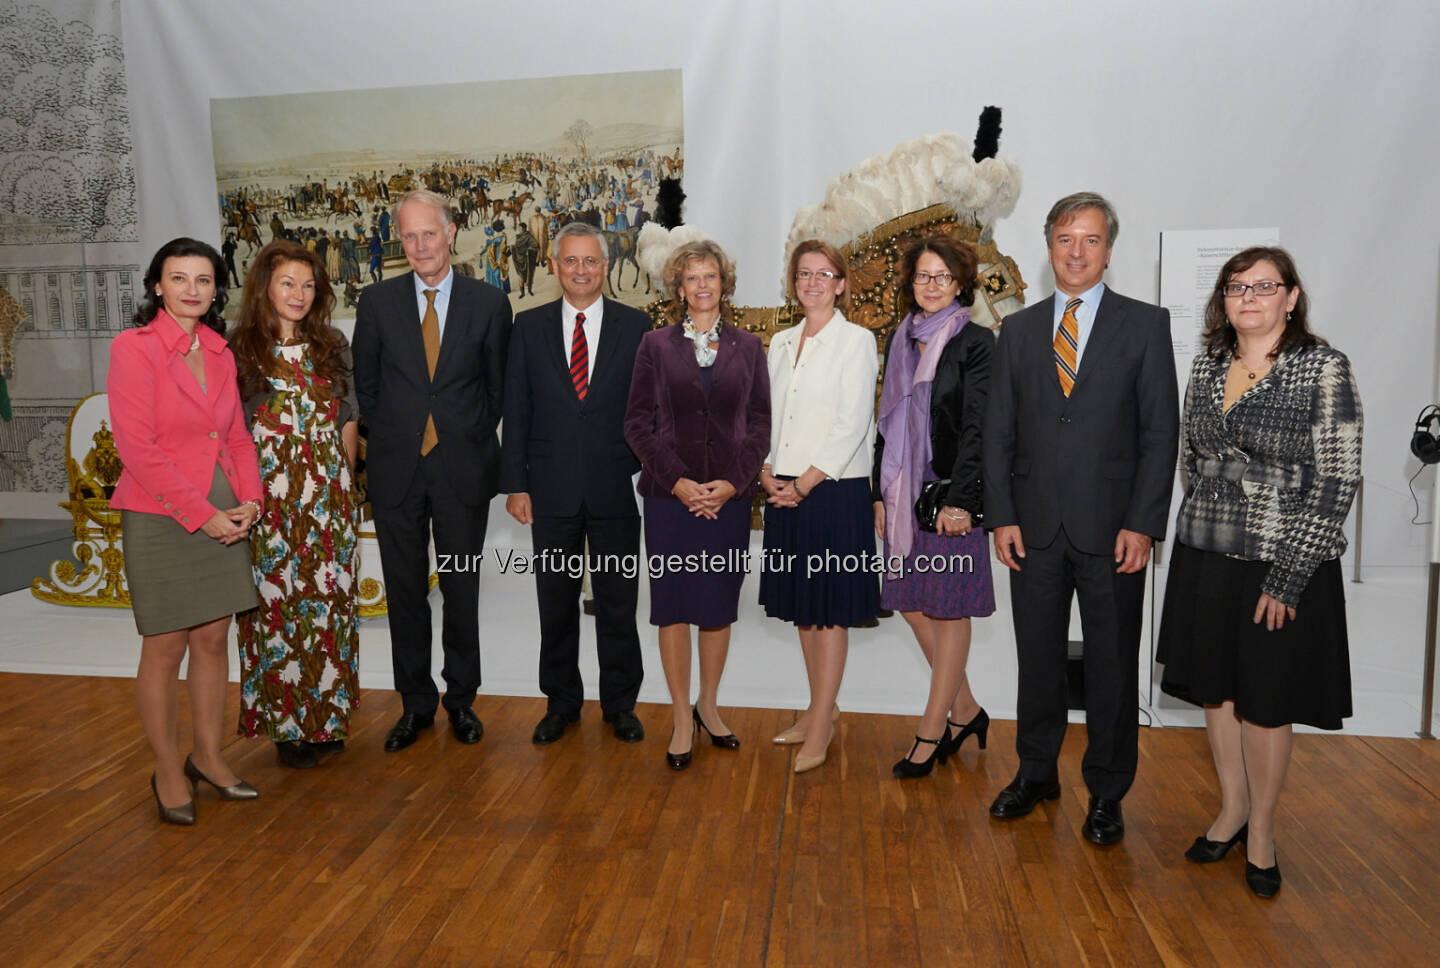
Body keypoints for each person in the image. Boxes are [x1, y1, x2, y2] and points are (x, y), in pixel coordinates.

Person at [1157, 247, 1361, 898]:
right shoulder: (1207, 365)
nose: (1248, 298)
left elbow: (1337, 480)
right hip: (1207, 554)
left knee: (1268, 705)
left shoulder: (1322, 368)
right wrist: (1216, 514)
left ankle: (1264, 831)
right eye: (1236, 287)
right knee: (1218, 691)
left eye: (1263, 287)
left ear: (1291, 298)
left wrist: (1290, 574)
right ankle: (1232, 810)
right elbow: (1194, 457)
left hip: (1284, 560)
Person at [983, 191, 1179, 843]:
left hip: (1114, 531)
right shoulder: (1018, 329)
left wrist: (1144, 522)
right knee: (1036, 660)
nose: (1076, 251)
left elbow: (1160, 432)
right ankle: (1036, 773)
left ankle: (1108, 792)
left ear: (1108, 251)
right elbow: (999, 433)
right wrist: (1002, 515)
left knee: (1112, 667)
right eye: (1066, 238)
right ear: (1048, 248)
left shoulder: (1146, 326)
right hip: (1032, 530)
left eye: (1090, 240)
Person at [108, 238, 264, 824]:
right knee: (165, 646)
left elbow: (236, 439)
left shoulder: (221, 351)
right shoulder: (134, 349)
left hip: (225, 513)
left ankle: (209, 756)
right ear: (157, 285)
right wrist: (204, 514)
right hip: (162, 516)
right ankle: (169, 768)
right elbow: (138, 449)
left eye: (203, 280)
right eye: (180, 278)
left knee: (211, 642)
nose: (192, 289)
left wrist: (251, 500)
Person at [353, 189, 512, 753]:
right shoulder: (376, 304)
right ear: (401, 241)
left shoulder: (490, 304)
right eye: (409, 235)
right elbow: (365, 390)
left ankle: (462, 702)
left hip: (462, 471)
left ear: (450, 233)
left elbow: (497, 393)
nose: (420, 245)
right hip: (397, 471)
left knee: (463, 590)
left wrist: (456, 432)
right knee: (404, 594)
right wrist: (400, 435)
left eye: (430, 233)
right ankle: (415, 705)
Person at [501, 221, 650, 746]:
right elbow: (515, 409)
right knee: (556, 603)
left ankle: (620, 705)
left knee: (618, 603)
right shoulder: (529, 326)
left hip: (617, 484)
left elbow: (648, 411)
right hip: (551, 488)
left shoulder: (638, 326)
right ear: (554, 266)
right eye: (570, 261)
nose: (581, 270)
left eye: (590, 261)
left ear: (606, 267)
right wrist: (515, 484)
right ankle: (561, 703)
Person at [623, 239, 770, 769]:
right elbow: (637, 424)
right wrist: (681, 483)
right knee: (673, 609)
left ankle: (709, 705)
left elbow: (759, 427)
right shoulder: (654, 346)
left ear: (723, 284)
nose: (702, 286)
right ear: (679, 288)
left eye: (711, 276)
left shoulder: (750, 348)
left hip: (728, 502)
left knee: (714, 608)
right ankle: (681, 716)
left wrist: (731, 483)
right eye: (692, 278)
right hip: (669, 500)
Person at [231, 240, 360, 770]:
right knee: (274, 612)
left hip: (327, 501)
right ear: (265, 287)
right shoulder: (238, 349)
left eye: (308, 285)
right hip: (268, 507)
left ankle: (327, 719)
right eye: (288, 283)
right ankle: (286, 724)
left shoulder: (332, 344)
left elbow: (348, 417)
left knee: (331, 609)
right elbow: (229, 432)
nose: (299, 294)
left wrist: (345, 488)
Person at [873, 235, 996, 779]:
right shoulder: (900, 339)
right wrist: (878, 494)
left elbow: (979, 428)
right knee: (910, 600)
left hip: (949, 496)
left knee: (949, 609)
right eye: (923, 276)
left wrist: (960, 501)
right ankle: (966, 710)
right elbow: (884, 421)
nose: (931, 286)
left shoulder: (976, 342)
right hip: (903, 494)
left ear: (960, 283)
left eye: (942, 277)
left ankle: (932, 727)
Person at [759, 239, 880, 774]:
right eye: (803, 273)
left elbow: (851, 424)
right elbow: (768, 416)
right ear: (794, 282)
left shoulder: (857, 341)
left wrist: (802, 484)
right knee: (805, 612)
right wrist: (765, 472)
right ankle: (818, 712)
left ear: (841, 283)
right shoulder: (781, 342)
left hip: (832, 492)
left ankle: (823, 721)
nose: (812, 282)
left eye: (823, 274)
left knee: (829, 613)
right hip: (785, 489)